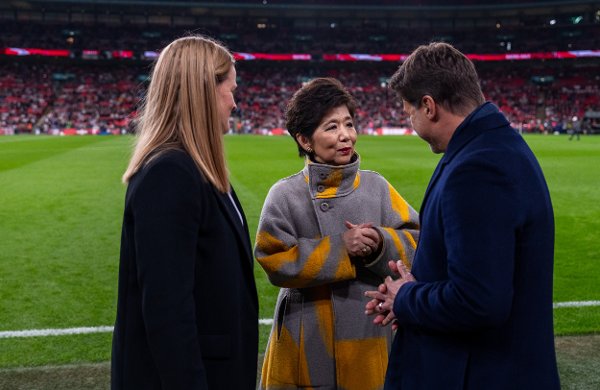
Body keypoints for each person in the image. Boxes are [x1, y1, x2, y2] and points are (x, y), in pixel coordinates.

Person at [365, 42, 560, 389]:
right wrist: (414, 295)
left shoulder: (478, 167)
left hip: (480, 373)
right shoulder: (490, 146)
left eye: (409, 111)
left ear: (429, 106)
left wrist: (406, 298)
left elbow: (479, 300)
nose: (410, 122)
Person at [111, 36, 258, 390]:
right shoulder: (170, 173)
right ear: (204, 92)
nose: (235, 104)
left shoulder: (194, 168)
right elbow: (167, 312)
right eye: (230, 90)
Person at [255, 77, 420, 389]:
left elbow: (420, 242)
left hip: (367, 337)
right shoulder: (285, 194)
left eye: (349, 124)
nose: (346, 136)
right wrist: (340, 249)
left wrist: (380, 245)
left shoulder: (378, 187)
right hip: (305, 340)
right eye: (331, 127)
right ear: (305, 140)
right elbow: (273, 259)